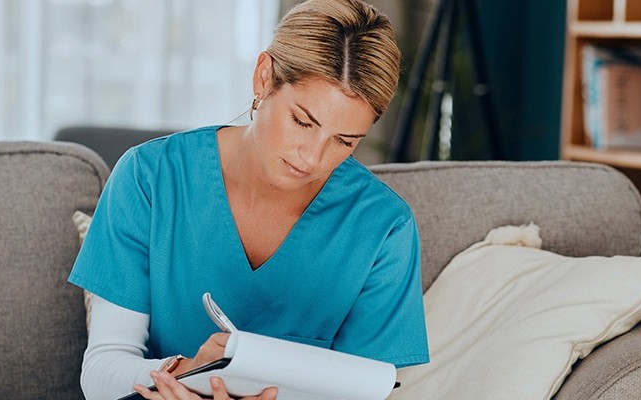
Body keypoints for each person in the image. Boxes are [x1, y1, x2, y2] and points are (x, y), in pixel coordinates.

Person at [68, 0, 429, 398]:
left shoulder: (383, 227)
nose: (312, 158)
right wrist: (189, 373)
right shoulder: (150, 177)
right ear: (264, 79)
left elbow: (365, 388)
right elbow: (101, 373)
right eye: (302, 121)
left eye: (344, 141)